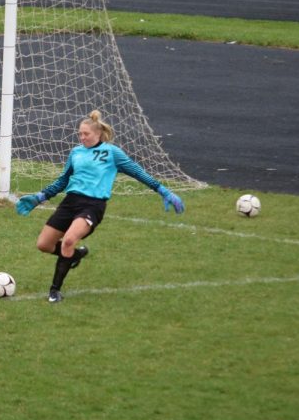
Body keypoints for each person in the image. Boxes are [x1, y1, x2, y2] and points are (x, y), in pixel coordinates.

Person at [16, 110, 185, 303]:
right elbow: (63, 180)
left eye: (86, 134)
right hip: (70, 202)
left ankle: (54, 290)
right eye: (80, 133)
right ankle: (75, 255)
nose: (82, 137)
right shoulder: (76, 152)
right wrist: (40, 197)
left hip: (93, 205)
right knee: (44, 244)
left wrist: (163, 191)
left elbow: (137, 172)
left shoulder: (112, 153)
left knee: (68, 240)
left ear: (98, 134)